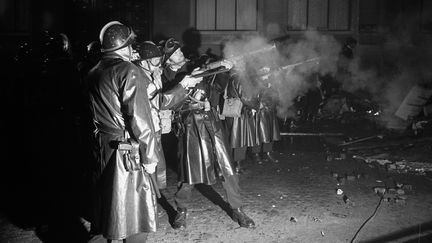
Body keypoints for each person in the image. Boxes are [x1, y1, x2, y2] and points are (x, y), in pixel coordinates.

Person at [160, 39, 255, 230]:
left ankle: (238, 209)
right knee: (188, 173)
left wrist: (224, 65)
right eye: (176, 53)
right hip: (188, 126)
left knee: (227, 166)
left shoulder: (194, 65)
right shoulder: (164, 76)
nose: (180, 54)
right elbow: (167, 100)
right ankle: (182, 210)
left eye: (179, 50)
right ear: (168, 60)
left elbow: (215, 82)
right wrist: (185, 83)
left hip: (211, 121)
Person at [86, 21, 160, 242]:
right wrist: (149, 156)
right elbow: (139, 117)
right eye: (131, 45)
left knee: (112, 212)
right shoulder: (128, 70)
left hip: (102, 147)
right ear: (125, 46)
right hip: (126, 152)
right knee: (137, 217)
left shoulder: (93, 71)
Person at [134, 41, 202, 190]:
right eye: (155, 61)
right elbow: (160, 101)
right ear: (144, 62)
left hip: (154, 127)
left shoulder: (150, 74)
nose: (159, 65)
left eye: (159, 61)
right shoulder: (141, 79)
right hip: (147, 130)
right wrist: (182, 85)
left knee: (156, 168)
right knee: (148, 169)